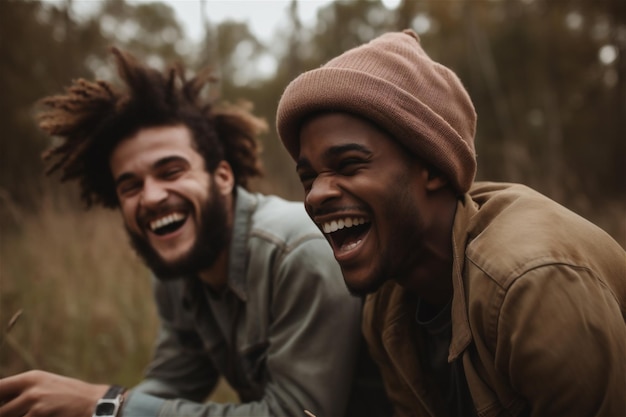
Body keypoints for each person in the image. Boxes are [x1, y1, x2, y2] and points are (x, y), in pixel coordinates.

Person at [0, 47, 390, 417]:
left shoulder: (295, 252)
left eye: (171, 171)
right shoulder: (177, 270)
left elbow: (296, 414)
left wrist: (106, 406)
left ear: (222, 176)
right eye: (130, 186)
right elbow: (169, 386)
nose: (150, 197)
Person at [275, 29, 626, 417]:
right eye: (308, 178)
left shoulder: (530, 286)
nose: (315, 195)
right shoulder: (387, 309)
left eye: (349, 165)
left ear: (432, 168)